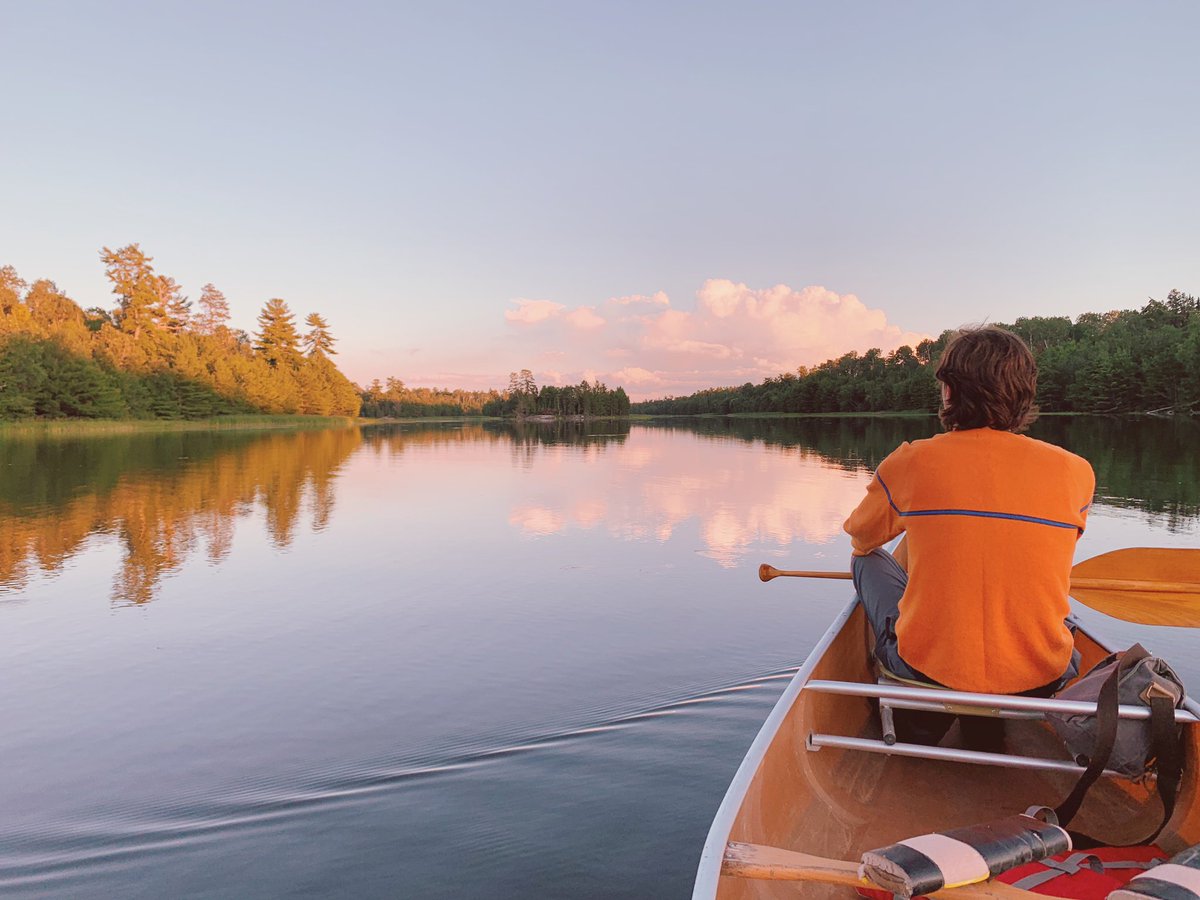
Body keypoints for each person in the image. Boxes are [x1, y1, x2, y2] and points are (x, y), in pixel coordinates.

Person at [843, 325, 1095, 698]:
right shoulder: (1076, 471)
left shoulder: (911, 462)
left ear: (949, 390)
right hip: (1043, 676)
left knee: (864, 560)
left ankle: (915, 688)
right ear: (1025, 393)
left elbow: (861, 537)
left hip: (928, 669)